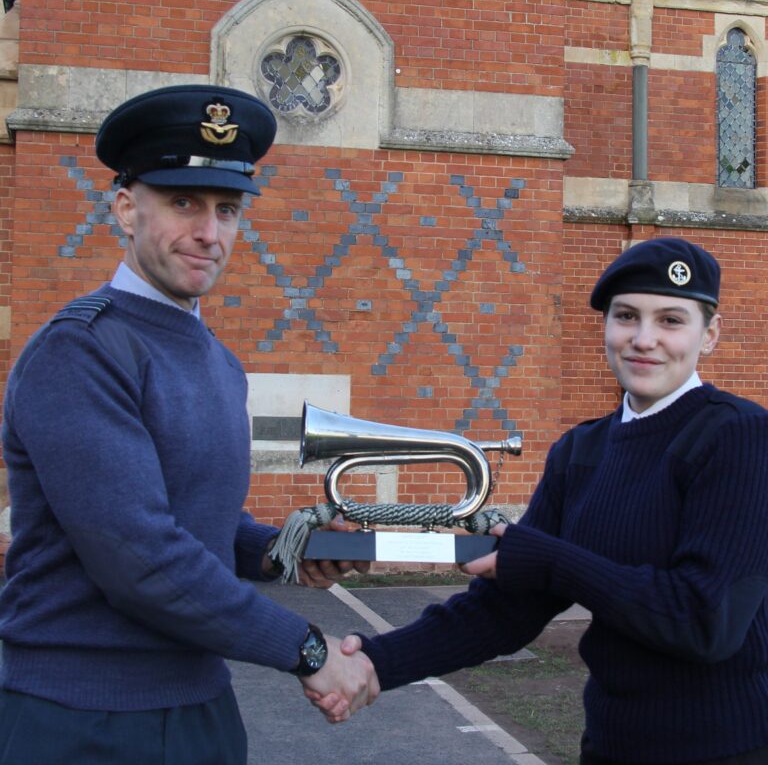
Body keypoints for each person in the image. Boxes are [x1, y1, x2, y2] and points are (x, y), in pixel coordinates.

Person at [0, 84, 378, 764]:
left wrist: (288, 547)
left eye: (227, 210)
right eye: (183, 203)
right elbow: (139, 557)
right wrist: (309, 649)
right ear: (124, 207)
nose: (209, 232)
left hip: (200, 710)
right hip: (79, 720)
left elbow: (198, 519)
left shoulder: (218, 361)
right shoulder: (79, 351)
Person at [314, 237, 768, 764]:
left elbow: (704, 620)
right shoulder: (581, 450)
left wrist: (549, 560)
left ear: (708, 334)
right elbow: (510, 608)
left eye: (671, 320)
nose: (644, 339)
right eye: (626, 317)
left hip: (725, 750)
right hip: (610, 746)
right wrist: (374, 662)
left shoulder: (739, 436)